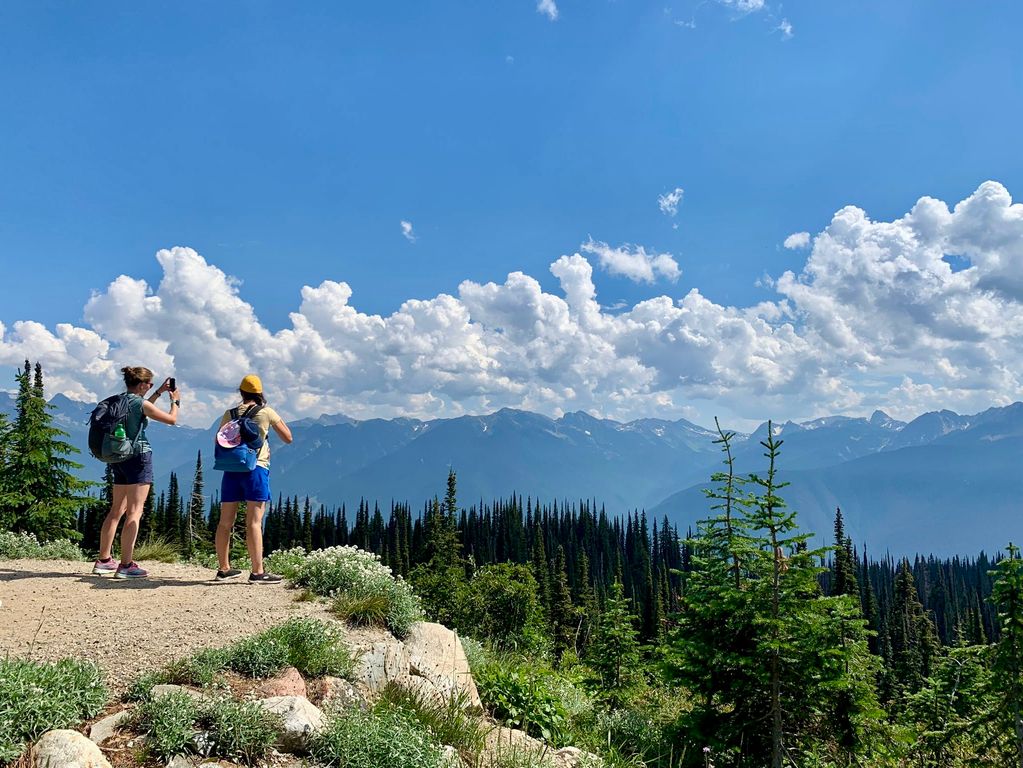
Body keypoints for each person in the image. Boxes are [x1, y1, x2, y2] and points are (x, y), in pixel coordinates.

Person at [93, 366, 181, 579]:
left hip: (119, 456)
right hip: (139, 457)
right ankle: (126, 565)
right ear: (141, 385)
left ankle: (104, 560)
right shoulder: (139, 404)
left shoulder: (118, 400)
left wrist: (158, 392)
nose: (150, 387)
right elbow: (171, 420)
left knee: (116, 510)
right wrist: (175, 401)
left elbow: (143, 407)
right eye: (149, 385)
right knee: (135, 511)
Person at [214, 374, 293, 583]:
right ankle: (257, 572)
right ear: (260, 393)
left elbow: (218, 438)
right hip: (256, 468)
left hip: (231, 469)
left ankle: (223, 569)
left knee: (225, 522)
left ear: (241, 393)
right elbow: (288, 437)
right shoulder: (266, 412)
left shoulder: (229, 413)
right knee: (254, 523)